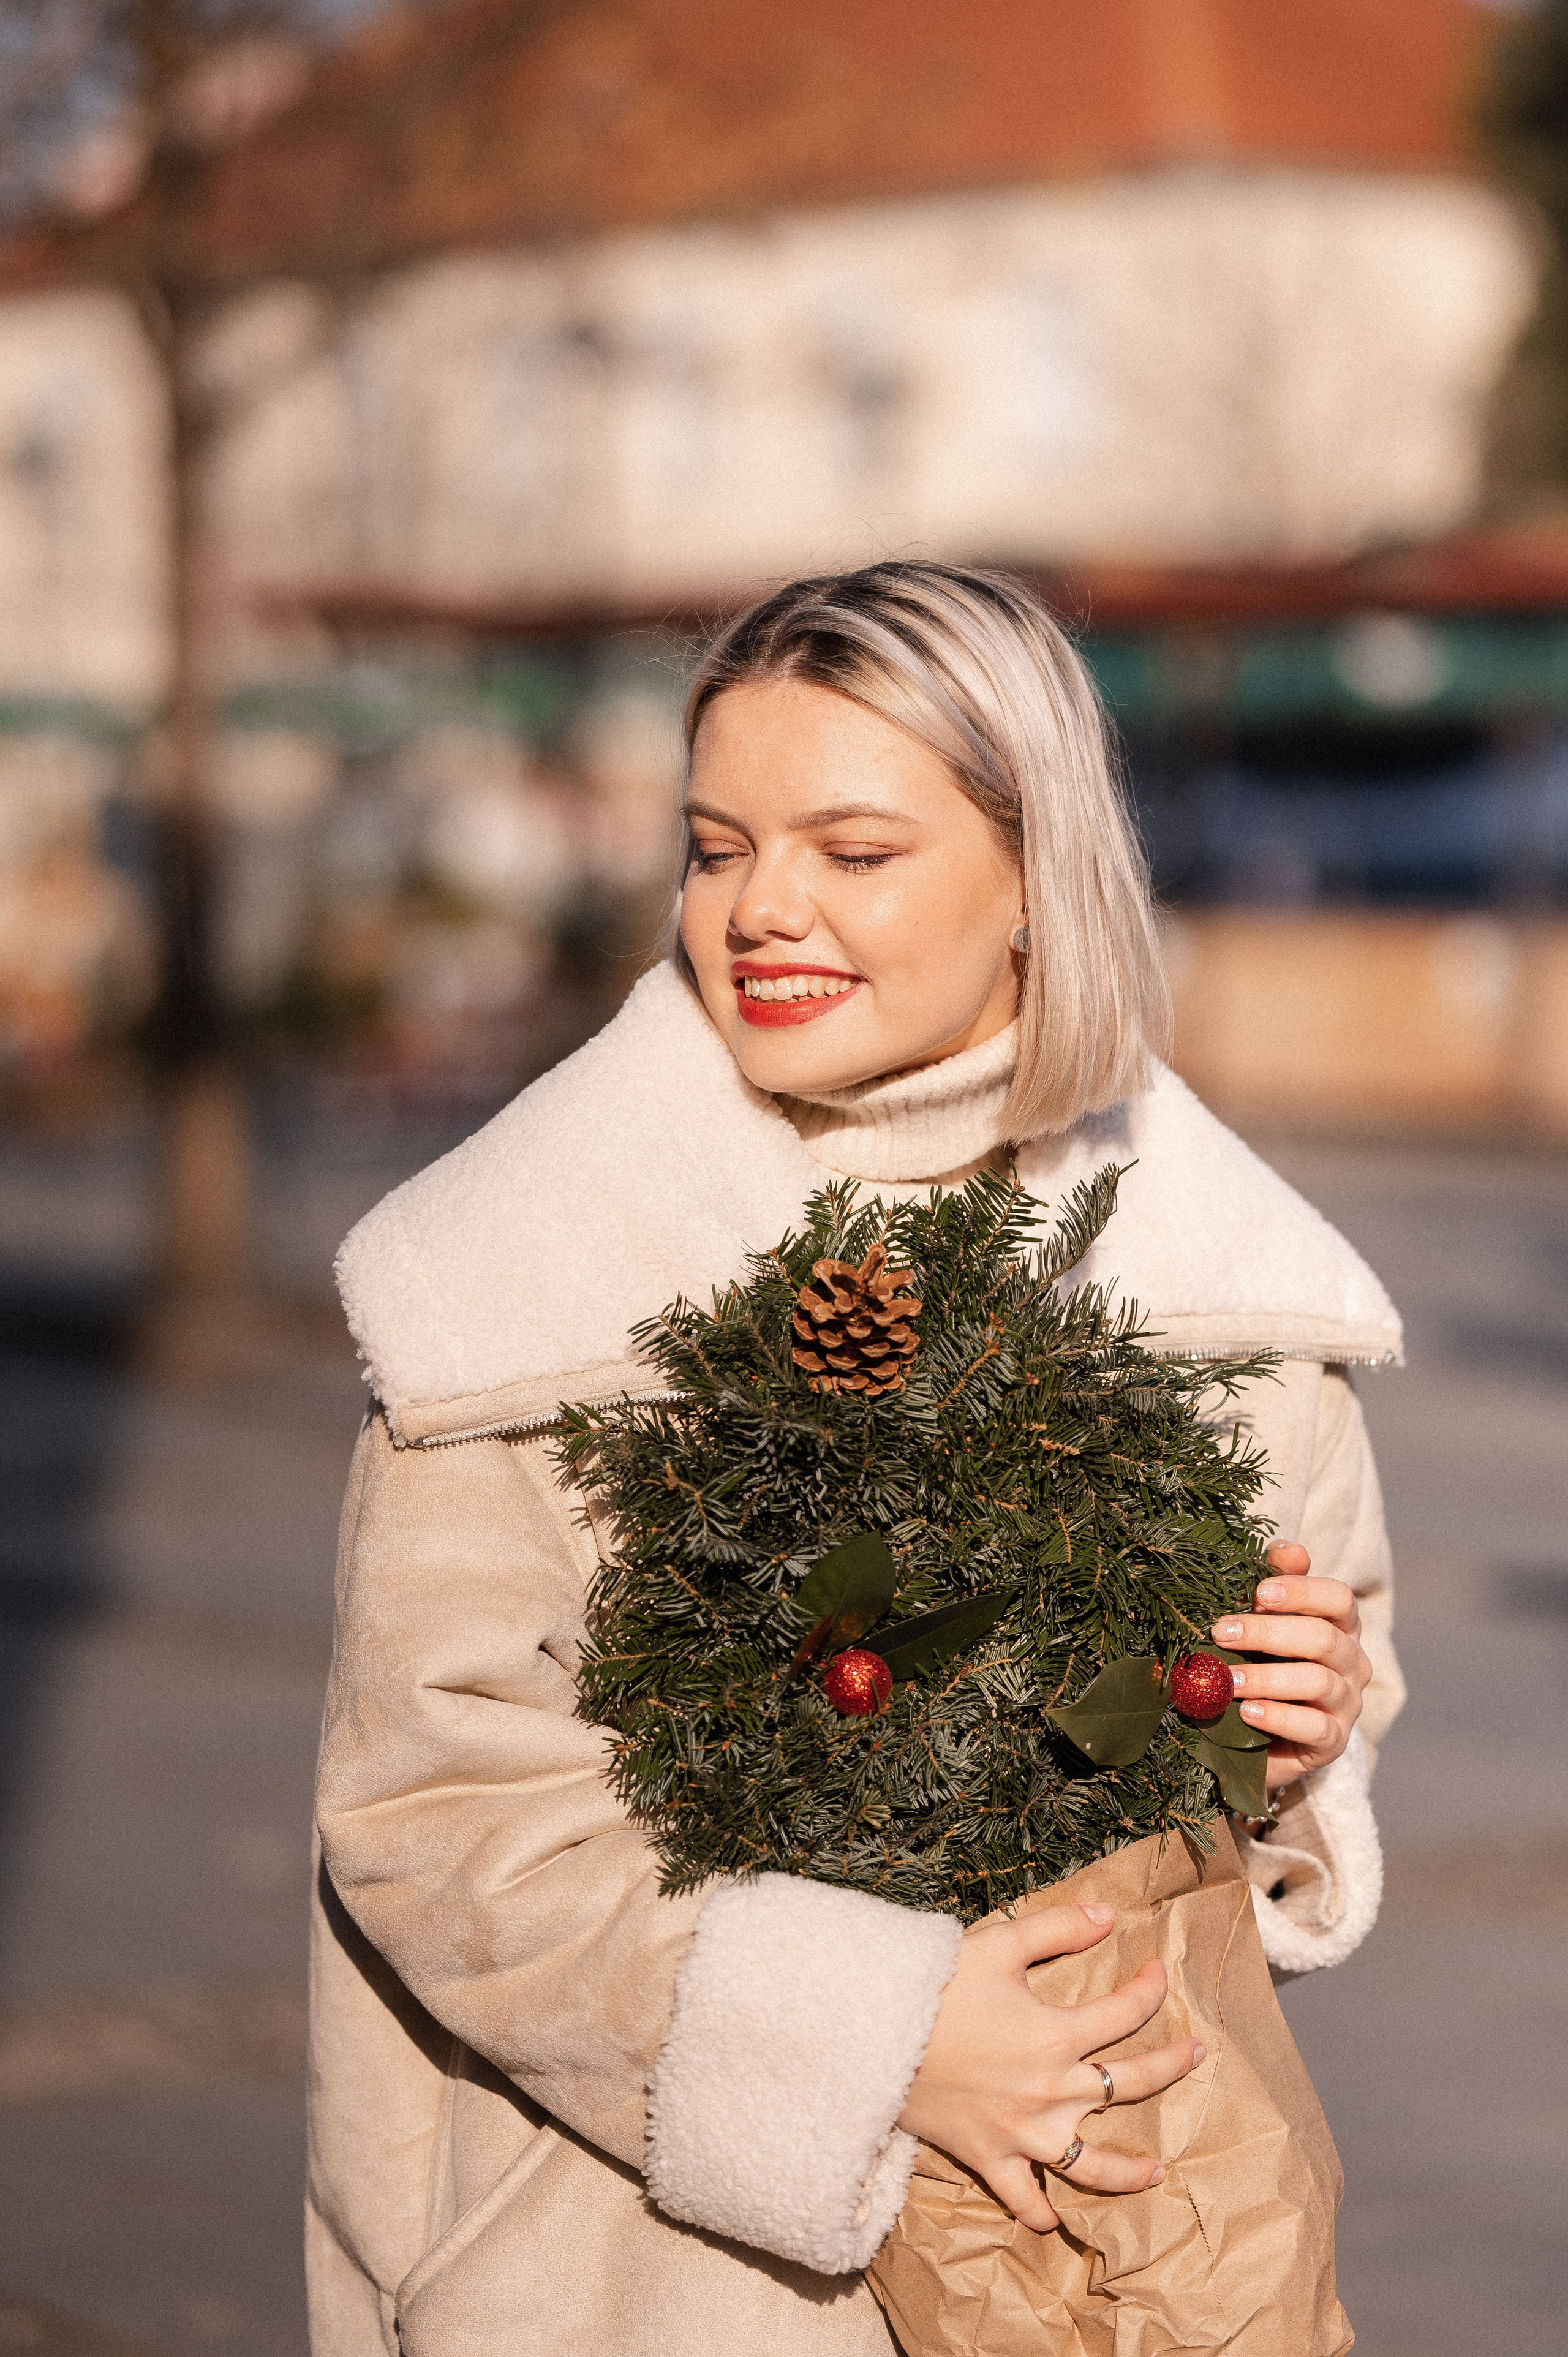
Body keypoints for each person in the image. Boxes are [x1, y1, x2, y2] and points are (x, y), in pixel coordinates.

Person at [310, 562, 1403, 2356]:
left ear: (1037, 879)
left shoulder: (1223, 1282)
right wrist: (867, 2043)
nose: (763, 910)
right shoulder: (518, 1278)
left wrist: (1290, 1729)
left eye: (856, 851)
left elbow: (1302, 1706)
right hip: (640, 2282)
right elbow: (441, 1819)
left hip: (1113, 2268)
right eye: (719, 845)